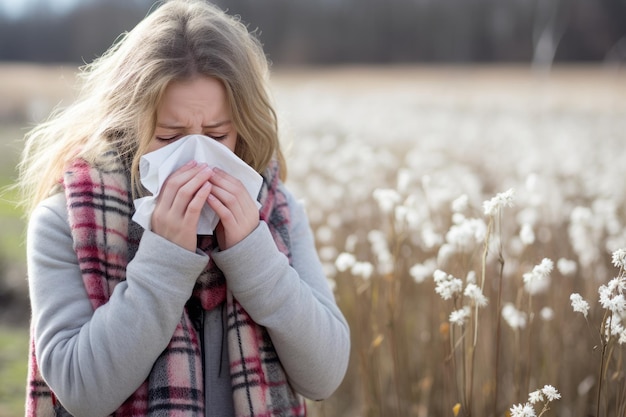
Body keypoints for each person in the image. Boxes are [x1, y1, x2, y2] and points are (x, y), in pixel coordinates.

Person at [18, 1, 350, 416]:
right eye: (169, 137)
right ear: (129, 126)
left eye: (217, 134)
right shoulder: (68, 220)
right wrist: (164, 260)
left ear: (243, 129)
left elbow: (326, 375)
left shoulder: (278, 209)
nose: (195, 156)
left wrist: (254, 254)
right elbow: (81, 391)